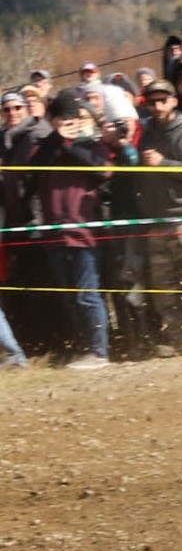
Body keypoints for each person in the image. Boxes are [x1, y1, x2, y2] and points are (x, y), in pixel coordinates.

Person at [16, 92, 113, 367]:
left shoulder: (92, 145)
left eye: (72, 118)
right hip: (53, 233)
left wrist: (68, 142)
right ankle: (84, 348)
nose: (68, 123)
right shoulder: (45, 147)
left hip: (84, 234)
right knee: (70, 298)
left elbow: (102, 171)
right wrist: (58, 139)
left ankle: (99, 351)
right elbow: (31, 170)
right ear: (53, 120)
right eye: (61, 119)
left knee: (87, 295)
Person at [132, 81, 182, 355]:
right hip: (156, 220)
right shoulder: (146, 135)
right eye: (152, 101)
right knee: (163, 285)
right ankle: (172, 336)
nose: (157, 106)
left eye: (162, 100)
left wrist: (164, 163)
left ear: (173, 101)